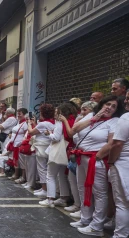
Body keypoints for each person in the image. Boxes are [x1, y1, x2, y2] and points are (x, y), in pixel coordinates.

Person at [63, 96, 124, 236]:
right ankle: (85, 219)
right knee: (82, 189)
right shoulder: (91, 115)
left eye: (113, 106)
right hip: (81, 158)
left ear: (116, 110)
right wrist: (94, 118)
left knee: (99, 193)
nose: (109, 107)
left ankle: (96, 226)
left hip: (96, 160)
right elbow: (73, 131)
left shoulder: (114, 122)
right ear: (101, 104)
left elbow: (111, 143)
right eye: (107, 104)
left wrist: (98, 156)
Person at [108, 91, 129, 237]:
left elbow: (117, 143)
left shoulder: (126, 118)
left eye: (128, 99)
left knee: (122, 203)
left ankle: (120, 235)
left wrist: (111, 162)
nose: (125, 102)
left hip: (123, 164)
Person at [28, 104, 56, 198]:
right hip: (48, 146)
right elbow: (40, 131)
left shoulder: (43, 123)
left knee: (42, 168)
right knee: (46, 168)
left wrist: (29, 124)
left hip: (41, 147)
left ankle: (44, 189)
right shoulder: (53, 122)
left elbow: (31, 132)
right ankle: (44, 188)